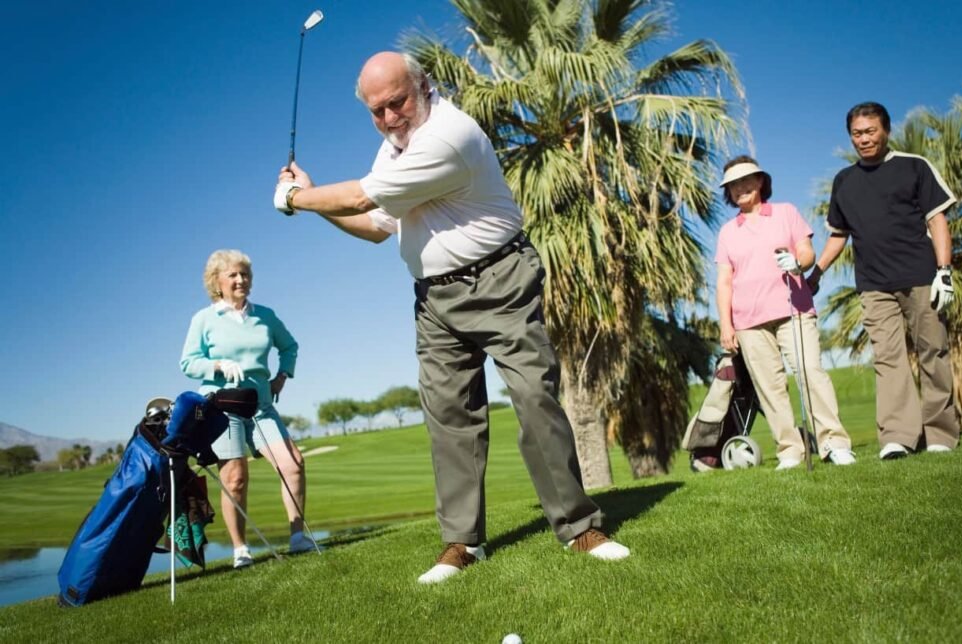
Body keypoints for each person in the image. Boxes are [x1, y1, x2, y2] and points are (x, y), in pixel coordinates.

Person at [272, 51, 629, 584]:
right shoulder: (393, 152)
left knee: (535, 398)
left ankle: (580, 527)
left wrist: (297, 198)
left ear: (425, 87)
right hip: (435, 300)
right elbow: (373, 224)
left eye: (398, 102)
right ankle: (463, 543)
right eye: (378, 111)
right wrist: (312, 202)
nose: (391, 117)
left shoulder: (449, 135)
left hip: (501, 279)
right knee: (449, 418)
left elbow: (359, 196)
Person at [808, 101, 957, 459]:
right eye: (857, 133)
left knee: (932, 352)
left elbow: (937, 221)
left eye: (870, 131)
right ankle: (898, 437)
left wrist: (944, 272)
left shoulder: (913, 167)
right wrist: (815, 275)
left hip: (921, 277)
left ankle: (940, 435)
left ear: (886, 131)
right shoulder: (844, 181)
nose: (864, 139)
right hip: (874, 285)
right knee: (888, 359)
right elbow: (838, 236)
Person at [715, 156, 856, 470]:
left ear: (761, 181)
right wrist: (726, 324)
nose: (741, 188)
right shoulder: (727, 232)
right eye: (734, 184)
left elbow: (806, 252)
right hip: (748, 320)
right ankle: (790, 451)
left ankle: (834, 443)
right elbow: (724, 281)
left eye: (746, 180)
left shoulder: (786, 212)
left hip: (794, 309)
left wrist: (799, 264)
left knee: (810, 373)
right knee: (769, 386)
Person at [180, 249, 314, 568]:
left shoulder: (264, 315)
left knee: (293, 464)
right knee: (236, 478)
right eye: (233, 275)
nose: (241, 280)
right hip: (223, 408)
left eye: (246, 274)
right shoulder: (204, 319)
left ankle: (298, 537)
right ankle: (241, 549)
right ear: (217, 282)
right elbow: (187, 362)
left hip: (261, 407)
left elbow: (289, 346)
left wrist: (282, 376)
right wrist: (217, 365)